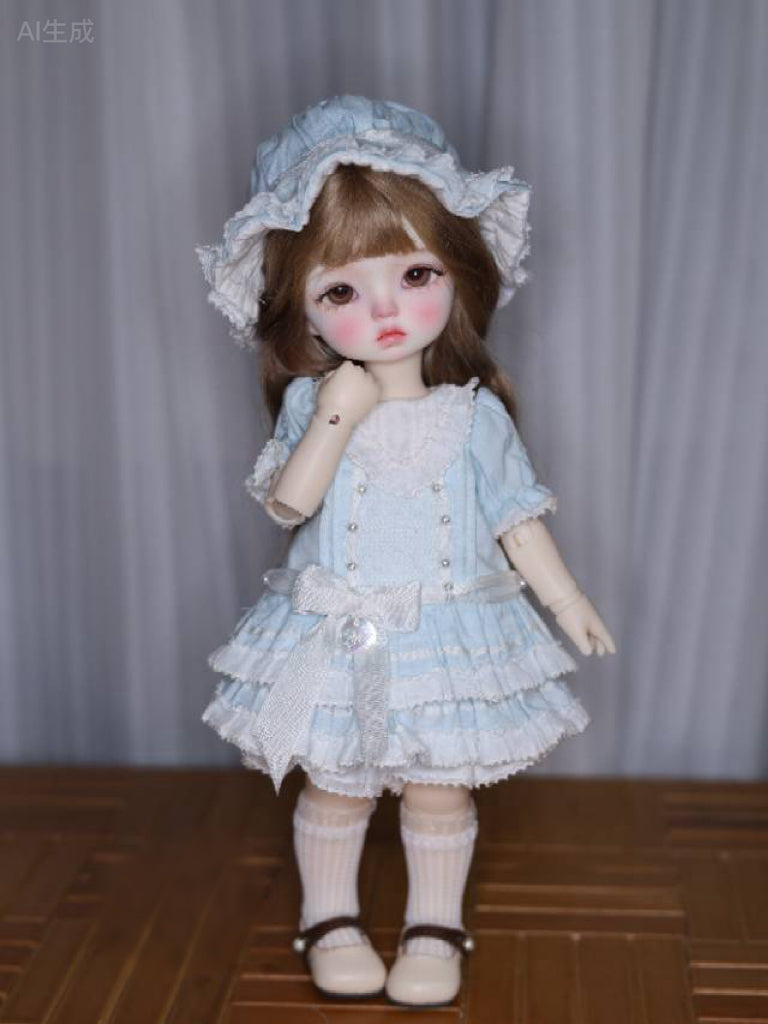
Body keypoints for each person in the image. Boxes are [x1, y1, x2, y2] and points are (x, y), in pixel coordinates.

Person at [196, 94, 616, 1008]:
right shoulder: (315, 404)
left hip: (446, 634)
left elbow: (516, 520)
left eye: (415, 274)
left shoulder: (474, 417)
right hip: (338, 631)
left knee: (439, 787)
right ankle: (329, 917)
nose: (385, 309)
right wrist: (336, 416)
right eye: (342, 291)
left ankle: (434, 926)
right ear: (304, 313)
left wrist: (567, 599)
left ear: (459, 272)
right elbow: (289, 503)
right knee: (338, 785)